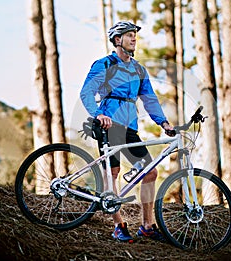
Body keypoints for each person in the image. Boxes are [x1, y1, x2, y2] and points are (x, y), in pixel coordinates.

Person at [80, 21, 174, 243]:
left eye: (135, 35)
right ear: (117, 40)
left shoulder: (139, 69)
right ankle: (118, 224)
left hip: (130, 127)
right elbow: (87, 92)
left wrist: (164, 122)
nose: (134, 39)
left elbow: (149, 99)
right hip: (108, 124)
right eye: (129, 35)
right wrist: (97, 114)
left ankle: (147, 226)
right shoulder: (104, 64)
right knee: (112, 174)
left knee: (149, 173)